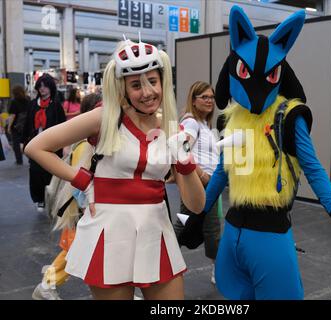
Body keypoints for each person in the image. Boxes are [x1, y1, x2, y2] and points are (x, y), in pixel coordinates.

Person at [180, 6, 331, 300]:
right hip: (233, 232)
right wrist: (199, 216)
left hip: (269, 234)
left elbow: (312, 167)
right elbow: (222, 171)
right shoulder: (231, 117)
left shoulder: (289, 116)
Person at [25, 38, 205, 300]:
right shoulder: (105, 118)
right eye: (136, 85)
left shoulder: (170, 128)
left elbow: (197, 205)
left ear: (163, 82)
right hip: (109, 232)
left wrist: (186, 161)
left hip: (156, 231)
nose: (147, 92)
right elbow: (36, 146)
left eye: (152, 82)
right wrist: (83, 180)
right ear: (122, 88)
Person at [32, 93, 102, 300]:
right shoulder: (85, 145)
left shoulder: (85, 142)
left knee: (77, 252)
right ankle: (47, 284)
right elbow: (79, 183)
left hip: (85, 210)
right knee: (72, 252)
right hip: (83, 210)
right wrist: (87, 206)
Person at [173, 81, 221, 284]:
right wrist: (201, 176)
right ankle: (218, 271)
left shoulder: (204, 124)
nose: (210, 101)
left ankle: (160, 260)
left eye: (212, 97)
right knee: (211, 228)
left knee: (184, 223)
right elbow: (180, 148)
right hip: (201, 184)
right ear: (194, 100)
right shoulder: (192, 122)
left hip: (207, 184)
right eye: (205, 97)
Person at [23, 74, 66, 212]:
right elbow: (27, 124)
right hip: (35, 144)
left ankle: (52, 198)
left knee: (51, 173)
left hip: (52, 145)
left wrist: (64, 144)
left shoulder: (56, 106)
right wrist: (24, 141)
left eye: (45, 86)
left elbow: (63, 126)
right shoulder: (32, 105)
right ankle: (40, 199)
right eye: (40, 86)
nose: (42, 89)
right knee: (35, 173)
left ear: (50, 88)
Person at [7, 85, 30, 165]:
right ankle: (31, 158)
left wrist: (9, 127)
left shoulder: (14, 101)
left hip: (16, 126)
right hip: (26, 125)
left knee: (16, 144)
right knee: (26, 142)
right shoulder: (28, 99)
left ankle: (19, 160)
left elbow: (12, 116)